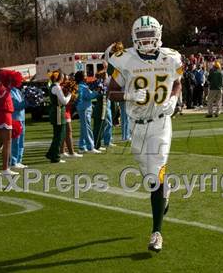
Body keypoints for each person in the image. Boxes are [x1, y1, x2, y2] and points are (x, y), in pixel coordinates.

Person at [108, 15, 182, 252]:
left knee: (156, 173)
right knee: (151, 180)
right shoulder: (124, 60)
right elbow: (111, 92)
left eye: (150, 34)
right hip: (136, 126)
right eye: (142, 35)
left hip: (161, 123)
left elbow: (178, 82)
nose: (147, 39)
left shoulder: (171, 57)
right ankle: (163, 194)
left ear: (159, 34)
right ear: (133, 36)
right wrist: (129, 96)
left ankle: (156, 233)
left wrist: (173, 97)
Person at [45, 70, 72, 163]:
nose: (64, 78)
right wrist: (70, 95)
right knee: (59, 135)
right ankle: (55, 157)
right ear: (60, 78)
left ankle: (51, 153)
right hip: (58, 112)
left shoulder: (55, 86)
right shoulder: (56, 87)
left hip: (58, 112)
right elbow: (64, 101)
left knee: (59, 134)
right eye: (63, 77)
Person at [74, 70, 100, 154]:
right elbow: (88, 96)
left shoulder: (83, 86)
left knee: (83, 128)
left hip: (85, 108)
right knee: (87, 128)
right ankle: (90, 147)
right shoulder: (82, 86)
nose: (86, 76)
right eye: (85, 75)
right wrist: (97, 91)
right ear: (82, 77)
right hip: (84, 109)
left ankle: (82, 146)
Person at [60, 75, 83, 158]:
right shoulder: (61, 88)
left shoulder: (65, 87)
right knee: (68, 131)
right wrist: (70, 95)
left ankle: (63, 151)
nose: (67, 80)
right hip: (63, 111)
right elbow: (63, 101)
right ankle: (71, 152)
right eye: (65, 78)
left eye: (67, 78)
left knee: (65, 132)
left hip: (67, 111)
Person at [10, 85, 28, 169]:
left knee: (21, 141)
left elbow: (22, 103)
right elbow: (16, 105)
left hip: (22, 118)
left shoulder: (17, 90)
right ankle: (13, 161)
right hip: (15, 119)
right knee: (15, 142)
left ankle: (19, 161)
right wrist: (28, 101)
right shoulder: (9, 91)